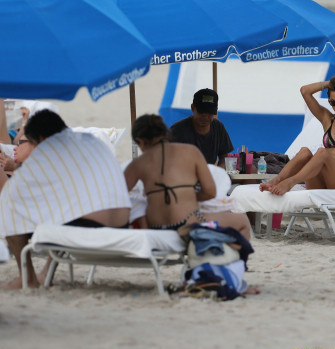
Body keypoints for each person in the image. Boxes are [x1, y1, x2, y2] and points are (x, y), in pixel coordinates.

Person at [0, 110, 131, 289]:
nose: (31, 148)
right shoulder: (91, 142)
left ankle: (27, 277)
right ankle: (46, 272)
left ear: (43, 139)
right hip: (121, 224)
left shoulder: (52, 154)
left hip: (89, 230)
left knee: (11, 209)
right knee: (64, 206)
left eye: (31, 142)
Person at [124, 114, 250, 239]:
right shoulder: (191, 151)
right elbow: (210, 192)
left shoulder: (136, 164)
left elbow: (121, 196)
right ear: (165, 133)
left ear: (140, 141)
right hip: (187, 223)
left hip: (155, 226)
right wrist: (185, 197)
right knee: (242, 222)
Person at [260, 68, 335, 196]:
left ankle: (290, 183)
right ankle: (276, 180)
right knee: (304, 152)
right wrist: (331, 83)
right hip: (324, 185)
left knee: (322, 152)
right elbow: (305, 91)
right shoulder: (327, 119)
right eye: (333, 102)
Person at [168, 88, 233, 167]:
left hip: (210, 175)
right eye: (201, 112)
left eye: (210, 113)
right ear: (192, 108)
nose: (205, 117)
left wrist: (219, 171)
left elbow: (225, 157)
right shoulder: (177, 130)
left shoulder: (218, 127)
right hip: (184, 175)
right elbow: (167, 160)